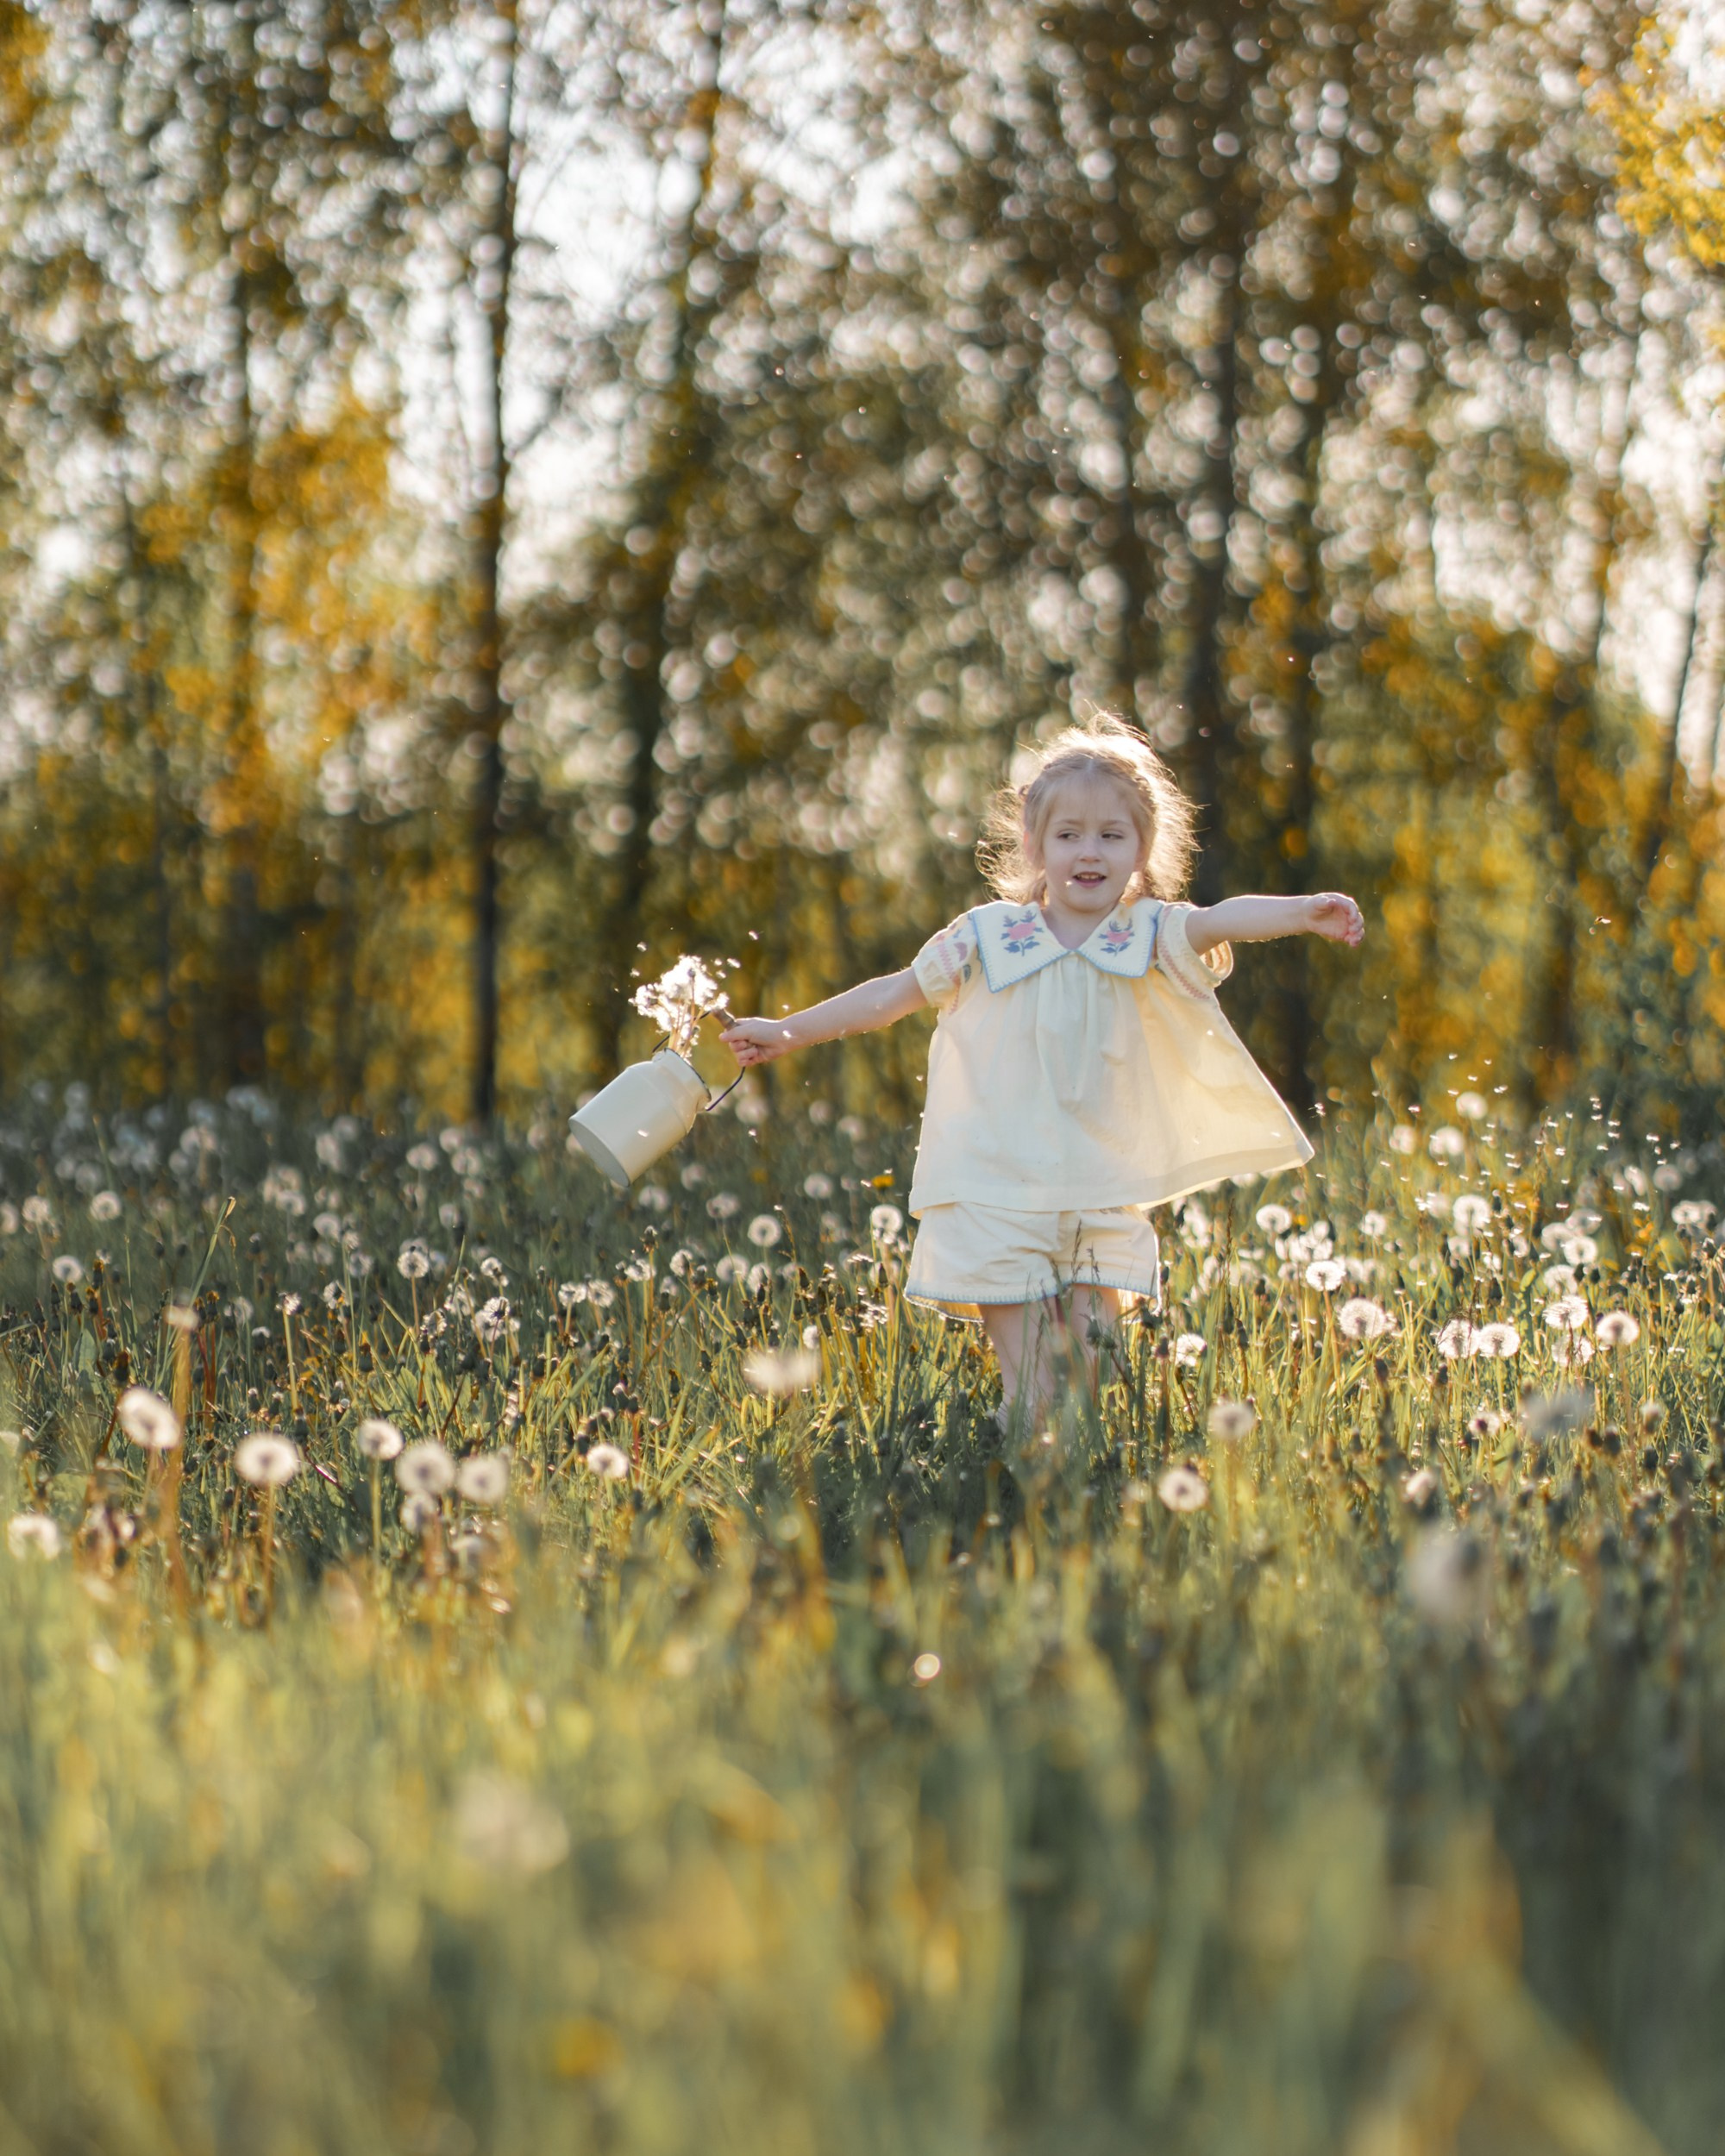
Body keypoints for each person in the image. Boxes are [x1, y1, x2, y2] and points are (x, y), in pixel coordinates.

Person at [721, 712, 1363, 1420]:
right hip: (996, 1189)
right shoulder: (988, 937)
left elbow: (1222, 918)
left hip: (1099, 1189)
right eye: (1069, 835)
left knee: (1090, 1384)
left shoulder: (1147, 935)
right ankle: (1017, 1478)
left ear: (1142, 850)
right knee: (1036, 1394)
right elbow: (890, 996)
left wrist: (1305, 911)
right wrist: (787, 1031)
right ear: (1033, 845)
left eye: (1112, 836)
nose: (1090, 852)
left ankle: (1066, 1492)